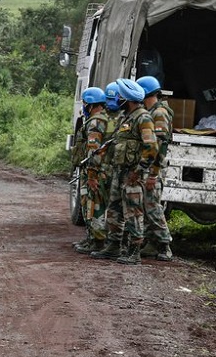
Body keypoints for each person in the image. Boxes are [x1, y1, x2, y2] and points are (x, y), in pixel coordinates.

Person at [91, 78, 158, 265]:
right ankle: (113, 246)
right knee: (114, 210)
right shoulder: (125, 118)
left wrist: (139, 171)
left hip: (133, 174)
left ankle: (134, 251)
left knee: (133, 212)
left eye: (120, 96)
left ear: (127, 99)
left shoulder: (143, 118)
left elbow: (151, 148)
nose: (117, 98)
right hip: (120, 172)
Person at [136, 75, 174, 261]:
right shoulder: (152, 110)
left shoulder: (159, 113)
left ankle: (165, 245)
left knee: (152, 207)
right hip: (151, 167)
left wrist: (153, 174)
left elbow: (160, 146)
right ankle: (151, 244)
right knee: (147, 205)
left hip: (154, 168)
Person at [73, 87, 109, 254]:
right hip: (96, 170)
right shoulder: (102, 119)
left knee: (93, 206)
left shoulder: (95, 122)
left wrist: (92, 175)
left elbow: (93, 151)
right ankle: (91, 239)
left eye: (85, 104)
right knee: (90, 205)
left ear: (91, 105)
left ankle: (97, 241)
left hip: (95, 171)